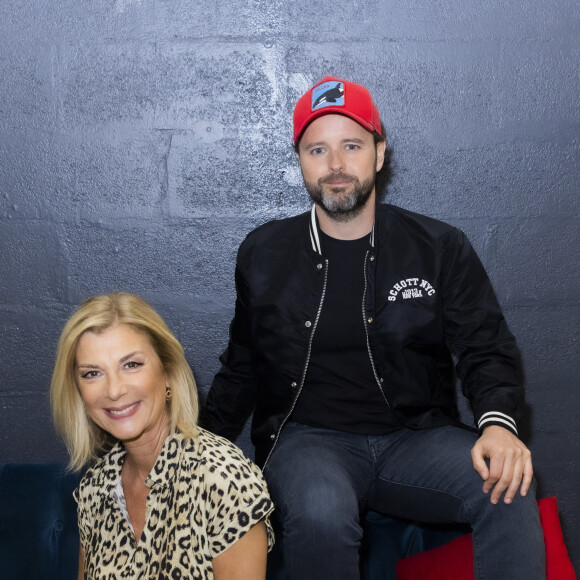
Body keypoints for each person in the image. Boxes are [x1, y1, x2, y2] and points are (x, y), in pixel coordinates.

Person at [203, 76, 546, 579]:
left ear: (379, 154)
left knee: (508, 487)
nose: (336, 165)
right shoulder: (264, 253)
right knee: (319, 509)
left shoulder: (438, 245)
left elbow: (485, 347)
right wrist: (196, 447)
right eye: (317, 149)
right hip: (308, 442)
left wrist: (497, 423)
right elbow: (242, 367)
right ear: (300, 160)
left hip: (416, 438)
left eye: (352, 146)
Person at [50, 292, 274, 580]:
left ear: (168, 372)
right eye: (93, 373)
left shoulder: (225, 479)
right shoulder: (95, 488)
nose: (114, 390)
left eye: (131, 364)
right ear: (78, 391)